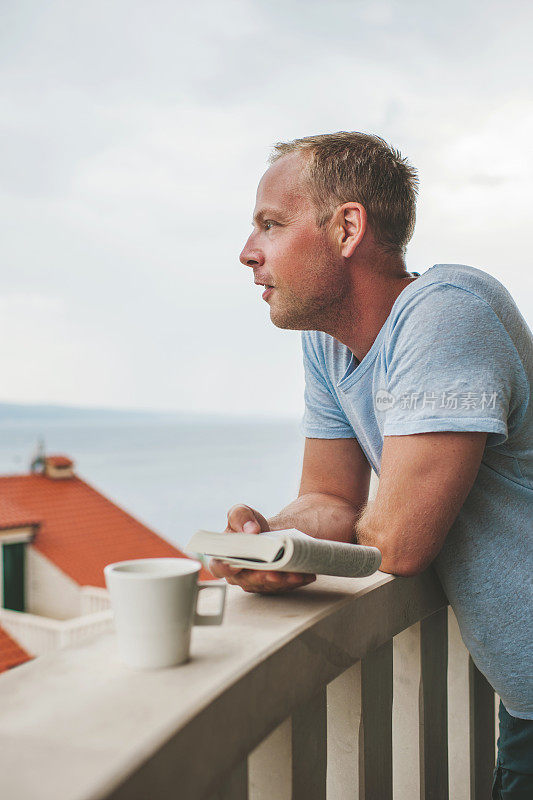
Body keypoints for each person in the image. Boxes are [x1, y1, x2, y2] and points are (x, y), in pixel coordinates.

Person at [208, 132, 533, 797]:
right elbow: (328, 497)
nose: (247, 252)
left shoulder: (446, 312)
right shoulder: (330, 347)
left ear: (346, 228)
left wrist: (309, 558)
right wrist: (276, 538)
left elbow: (396, 543)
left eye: (269, 224)